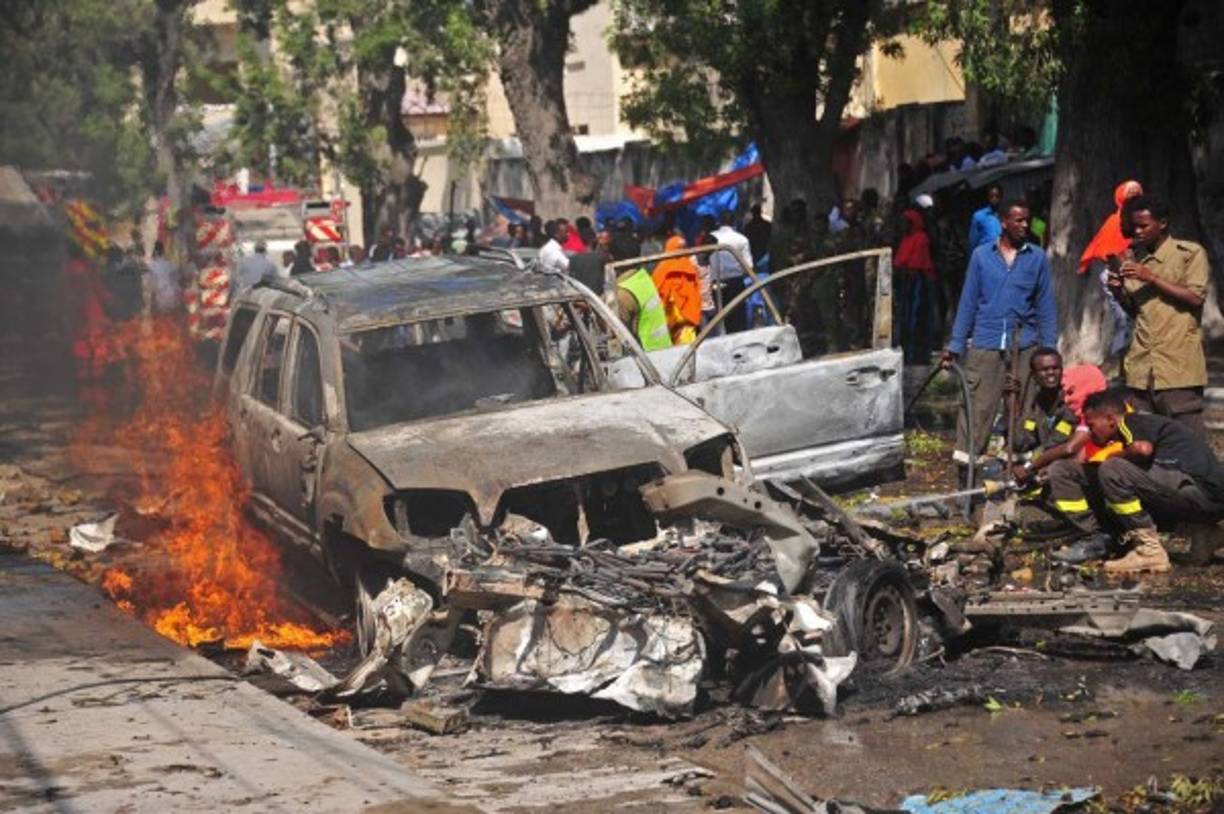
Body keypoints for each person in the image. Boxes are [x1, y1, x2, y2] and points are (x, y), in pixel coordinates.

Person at [1044, 389, 1224, 573]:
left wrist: (1112, 457)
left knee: (1113, 469)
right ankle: (1205, 535)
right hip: (1208, 498)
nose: (1090, 433)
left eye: (1091, 426)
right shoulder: (1145, 425)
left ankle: (1149, 551)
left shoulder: (1131, 422)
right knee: (1067, 470)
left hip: (1200, 493)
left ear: (1110, 419)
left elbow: (1142, 449)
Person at [941, 200, 1057, 469]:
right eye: (1018, 220)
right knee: (977, 408)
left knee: (1023, 409)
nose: (1025, 225)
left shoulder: (1037, 257)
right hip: (986, 343)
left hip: (1025, 344)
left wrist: (1048, 348)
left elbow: (1046, 306)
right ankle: (968, 475)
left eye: (1027, 220)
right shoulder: (981, 256)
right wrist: (956, 344)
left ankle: (1016, 473)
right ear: (1004, 222)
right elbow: (968, 302)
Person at [1106, 195, 1210, 437]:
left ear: (1162, 223)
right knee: (1146, 439)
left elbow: (1195, 297)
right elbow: (1137, 310)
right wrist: (1118, 292)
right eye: (1135, 227)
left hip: (1178, 367)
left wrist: (1151, 277)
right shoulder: (1135, 260)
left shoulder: (1189, 253)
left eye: (1144, 226)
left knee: (1189, 440)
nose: (1137, 232)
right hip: (1142, 368)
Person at [610, 231, 672, 351]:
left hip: (647, 355)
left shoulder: (624, 293)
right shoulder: (642, 277)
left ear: (612, 258)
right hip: (664, 349)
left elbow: (615, 333)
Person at [895, 208, 937, 364]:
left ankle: (918, 354)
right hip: (907, 283)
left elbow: (918, 262)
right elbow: (899, 260)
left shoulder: (921, 238)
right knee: (906, 319)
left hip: (919, 283)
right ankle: (907, 352)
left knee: (918, 318)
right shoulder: (905, 239)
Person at [651, 227, 700, 344]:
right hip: (686, 318)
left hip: (667, 317)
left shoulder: (661, 268)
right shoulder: (690, 267)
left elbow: (656, 290)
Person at [709, 211, 753, 332]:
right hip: (735, 283)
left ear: (719, 222)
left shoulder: (710, 237)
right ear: (734, 222)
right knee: (737, 318)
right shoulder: (742, 239)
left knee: (719, 317)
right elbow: (749, 266)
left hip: (715, 283)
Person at [146, 241, 181, 316]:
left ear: (155, 252)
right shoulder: (171, 265)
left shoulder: (152, 266)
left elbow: (151, 286)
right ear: (163, 252)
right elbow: (176, 282)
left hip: (159, 299)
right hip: (172, 298)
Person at [967, 184, 1003, 250]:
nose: (994, 199)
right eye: (992, 196)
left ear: (1001, 198)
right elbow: (973, 241)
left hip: (1003, 252)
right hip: (986, 253)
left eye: (997, 196)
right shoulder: (979, 216)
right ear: (988, 198)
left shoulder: (1005, 214)